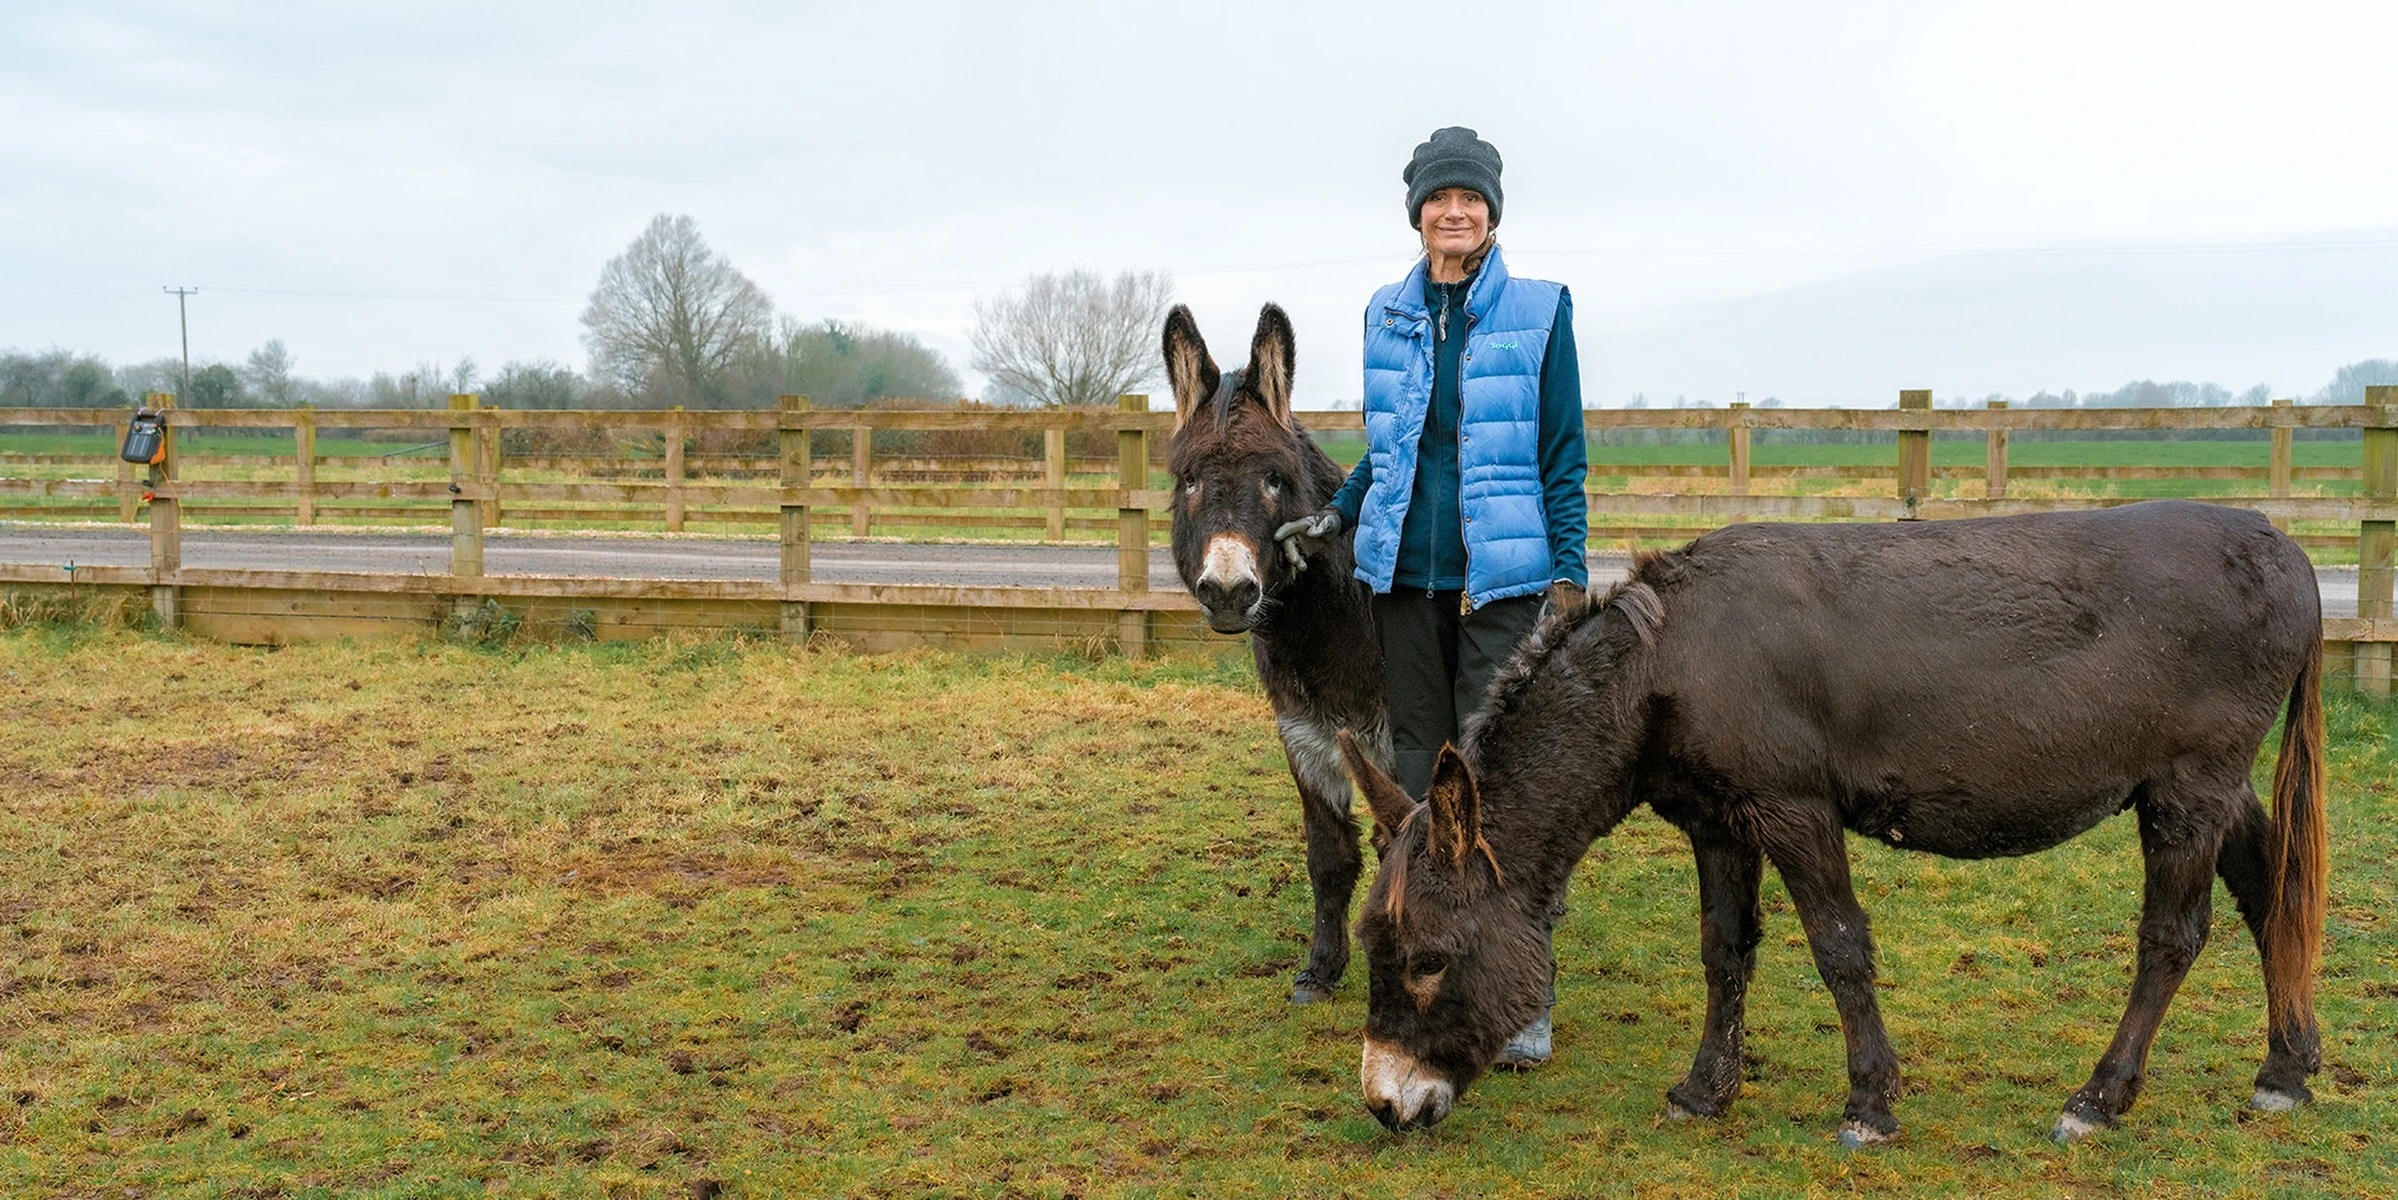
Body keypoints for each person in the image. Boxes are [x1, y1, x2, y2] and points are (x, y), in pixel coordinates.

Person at [1277, 125, 1587, 1067]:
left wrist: (1570, 570)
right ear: (1417, 213)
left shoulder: (1541, 311)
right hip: (1404, 579)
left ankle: (1524, 992)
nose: (1456, 212)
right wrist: (1339, 512)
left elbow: (1562, 453)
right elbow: (1389, 447)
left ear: (1492, 212)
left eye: (1471, 198)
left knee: (1496, 782)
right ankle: (1428, 963)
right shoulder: (1386, 313)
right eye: (1440, 199)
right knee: (1417, 775)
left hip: (1504, 579)